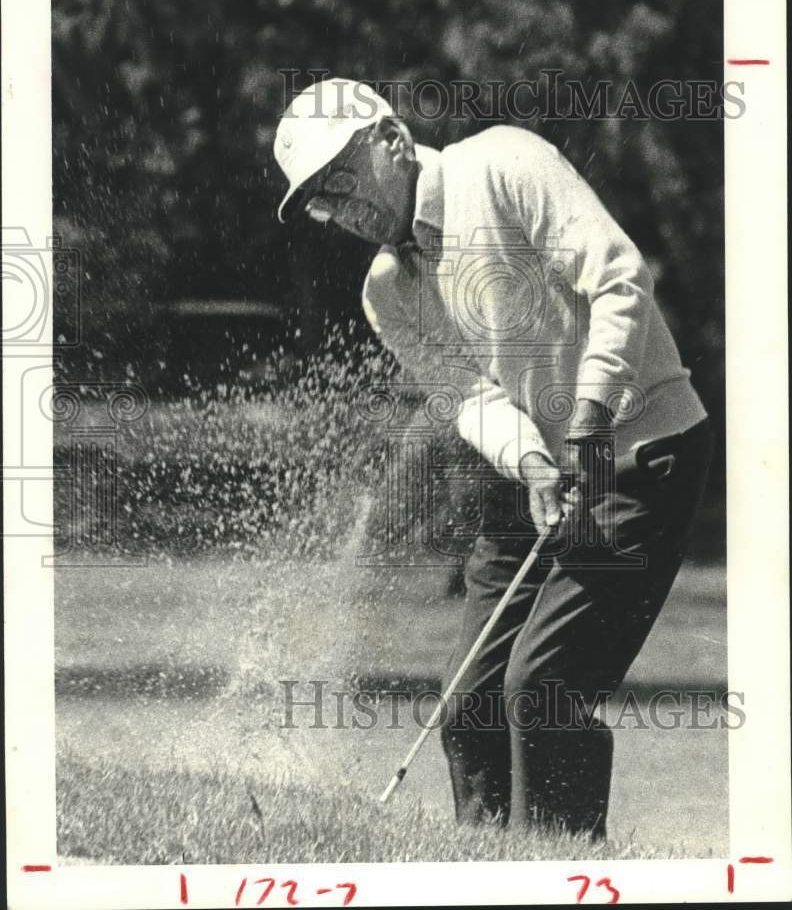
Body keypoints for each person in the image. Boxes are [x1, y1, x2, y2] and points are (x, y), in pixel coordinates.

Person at [273, 78, 713, 839]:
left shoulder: (504, 163)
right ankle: (480, 870)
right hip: (538, 473)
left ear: (392, 140)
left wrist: (587, 420)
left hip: (640, 452)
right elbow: (471, 398)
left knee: (543, 685)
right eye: (321, 203)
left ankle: (561, 871)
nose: (342, 212)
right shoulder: (387, 292)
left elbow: (619, 279)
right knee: (469, 700)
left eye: (341, 180)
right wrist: (536, 465)